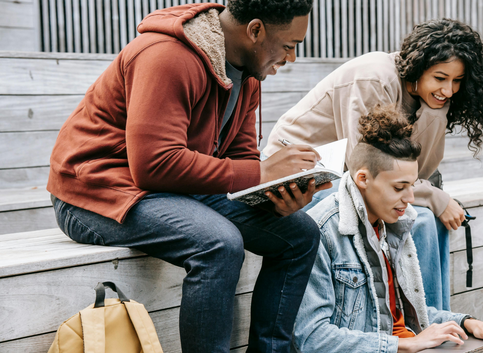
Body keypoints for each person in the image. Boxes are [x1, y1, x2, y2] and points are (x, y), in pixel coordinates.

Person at [46, 1, 329, 352]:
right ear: (255, 30)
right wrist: (260, 171)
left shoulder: (248, 77)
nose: (292, 59)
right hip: (94, 190)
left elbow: (239, 161)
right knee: (219, 243)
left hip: (172, 188)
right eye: (289, 46)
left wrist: (274, 195)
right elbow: (155, 163)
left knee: (299, 234)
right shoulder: (165, 55)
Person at [292, 105, 483, 353]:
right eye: (399, 187)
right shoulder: (322, 231)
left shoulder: (387, 226)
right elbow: (311, 337)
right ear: (363, 178)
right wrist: (403, 346)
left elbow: (405, 314)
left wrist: (466, 322)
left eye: (412, 186)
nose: (409, 199)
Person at [263, 18, 483, 311]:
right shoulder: (374, 80)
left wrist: (433, 113)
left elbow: (420, 170)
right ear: (418, 67)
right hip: (302, 177)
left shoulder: (428, 96)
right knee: (421, 219)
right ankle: (421, 331)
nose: (449, 90)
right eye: (440, 78)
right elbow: (362, 168)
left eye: (456, 81)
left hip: (352, 177)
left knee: (432, 221)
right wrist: (434, 196)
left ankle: (436, 324)